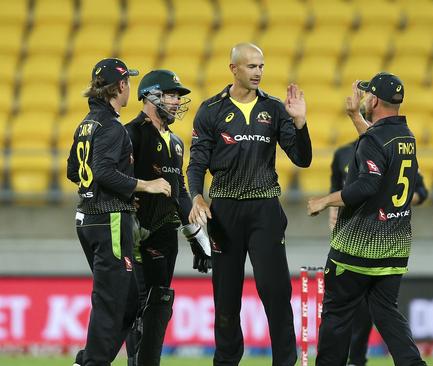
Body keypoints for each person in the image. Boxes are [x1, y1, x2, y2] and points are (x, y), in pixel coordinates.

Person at [186, 43, 312, 366]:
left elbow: (302, 158)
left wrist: (300, 124)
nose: (258, 72)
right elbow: (197, 162)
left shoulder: (274, 108)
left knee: (276, 293)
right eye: (251, 66)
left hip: (264, 209)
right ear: (234, 69)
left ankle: (285, 361)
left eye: (261, 66)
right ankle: (226, 360)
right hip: (224, 212)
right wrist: (197, 195)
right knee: (226, 299)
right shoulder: (211, 110)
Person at [307, 72, 427, 366]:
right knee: (386, 313)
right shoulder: (405, 137)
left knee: (336, 316)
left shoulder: (376, 139)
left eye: (366, 95)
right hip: (394, 248)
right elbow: (378, 143)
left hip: (356, 249)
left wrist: (324, 201)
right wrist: (353, 117)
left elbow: (365, 187)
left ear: (373, 100)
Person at [67, 58, 171, 366]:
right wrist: (144, 185)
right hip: (109, 218)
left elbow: (75, 170)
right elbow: (102, 172)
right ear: (121, 86)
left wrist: (101, 187)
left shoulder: (87, 123)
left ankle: (88, 359)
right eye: (129, 84)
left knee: (125, 302)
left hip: (89, 218)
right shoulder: (112, 127)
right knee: (113, 302)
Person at [123, 69, 213, 366]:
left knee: (159, 304)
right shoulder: (131, 133)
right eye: (171, 95)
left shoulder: (175, 141)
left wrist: (196, 235)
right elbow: (115, 180)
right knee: (135, 307)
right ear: (150, 96)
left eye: (178, 96)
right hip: (136, 233)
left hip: (165, 233)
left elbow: (180, 192)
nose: (176, 102)